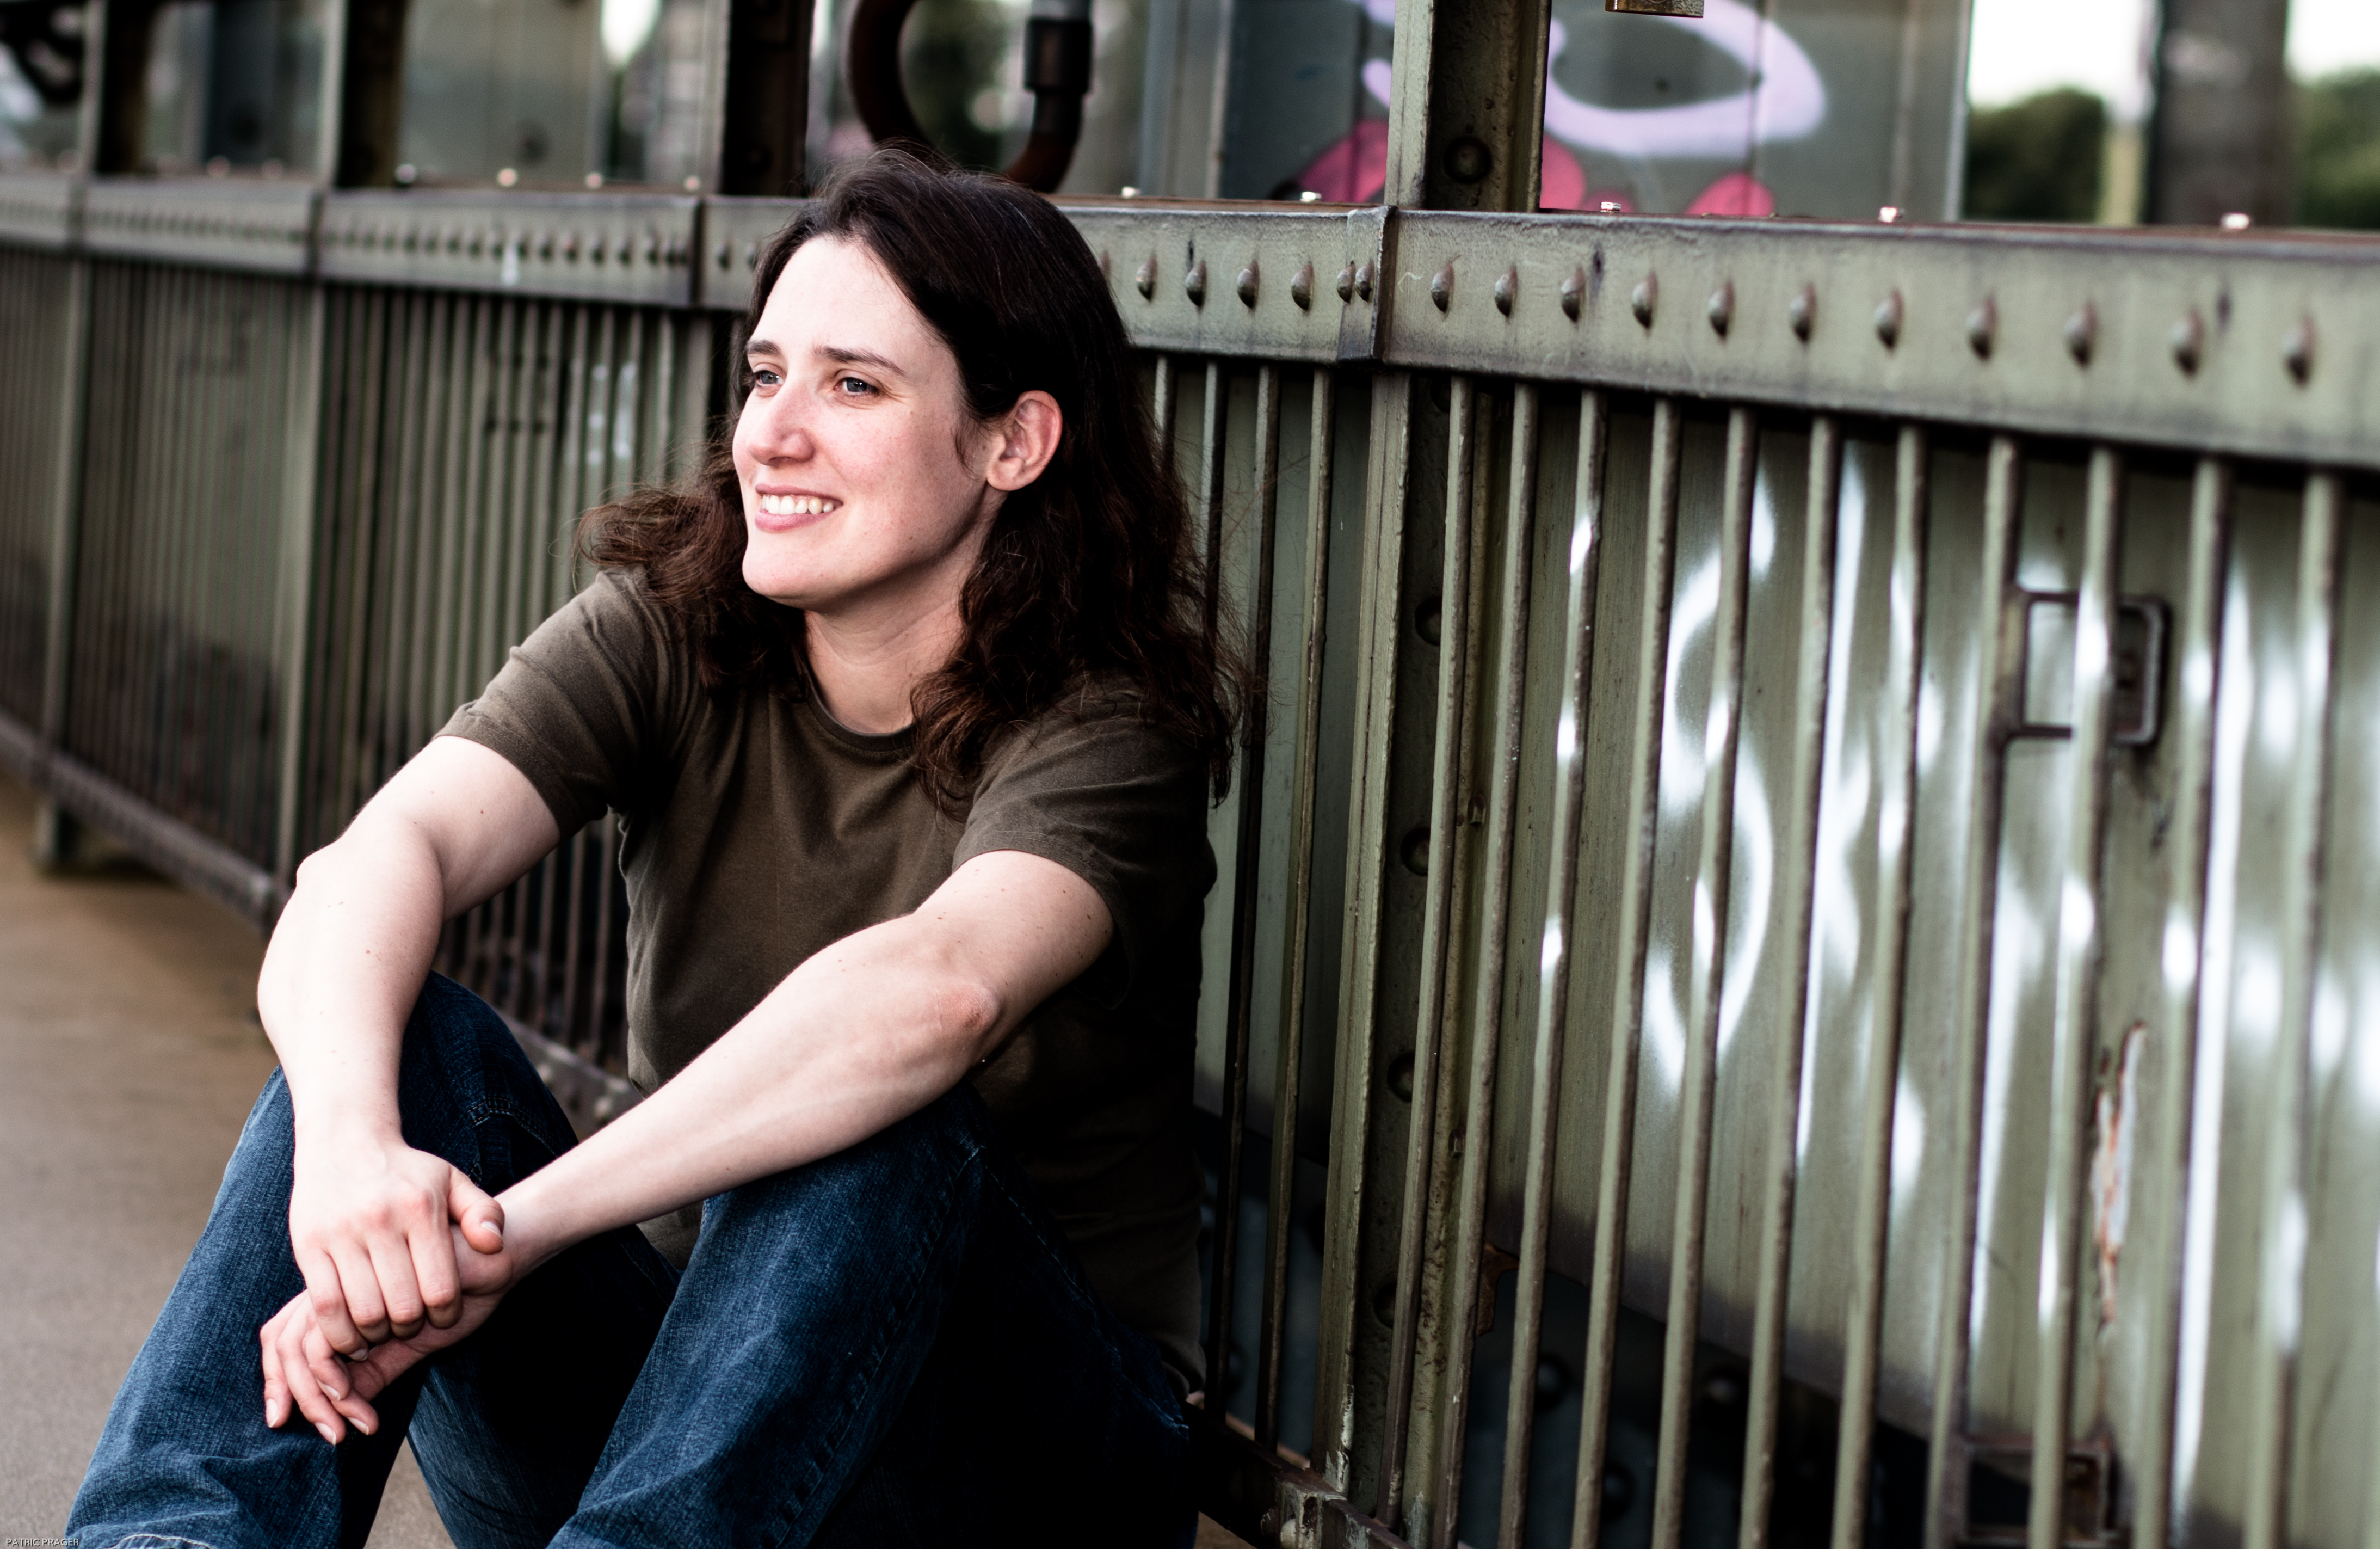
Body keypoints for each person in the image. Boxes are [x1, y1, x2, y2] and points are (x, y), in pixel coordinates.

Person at [69, 147, 1244, 1549]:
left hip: (1007, 1463)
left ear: (1015, 443)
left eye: (853, 387)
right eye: (765, 375)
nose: (770, 435)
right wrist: (349, 1164)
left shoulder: (1106, 724)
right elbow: (377, 862)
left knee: (873, 1108)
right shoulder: (680, 625)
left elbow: (935, 996)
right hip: (683, 1438)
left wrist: (513, 1234)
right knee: (408, 1048)